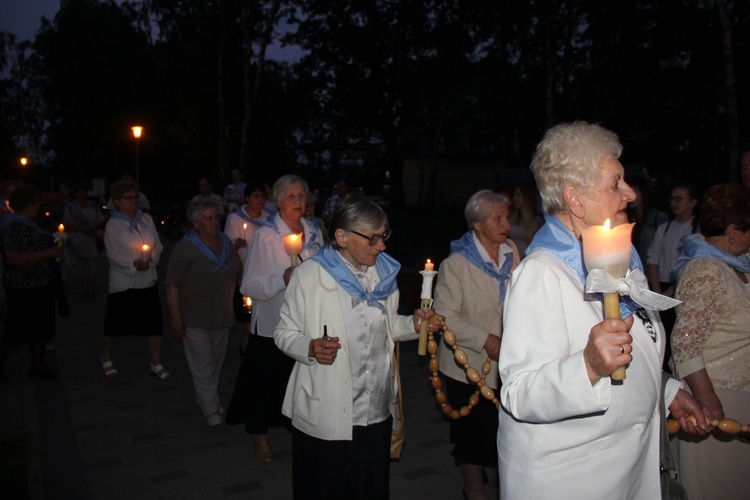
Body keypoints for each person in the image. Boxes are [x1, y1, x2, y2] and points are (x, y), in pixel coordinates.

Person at [497, 122, 711, 499]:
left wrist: (667, 390)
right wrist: (588, 367)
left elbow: (632, 348)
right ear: (575, 199)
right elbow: (519, 392)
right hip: (572, 481)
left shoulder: (614, 262)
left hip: (624, 474)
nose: (629, 193)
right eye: (616, 183)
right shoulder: (541, 274)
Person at [274, 196, 440, 499]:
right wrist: (310, 347)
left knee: (370, 489)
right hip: (327, 412)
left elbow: (388, 328)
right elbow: (283, 332)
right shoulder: (310, 276)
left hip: (375, 409)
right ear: (342, 237)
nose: (382, 246)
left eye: (384, 236)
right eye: (373, 238)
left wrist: (414, 325)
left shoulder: (383, 275)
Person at [226, 174, 323, 463]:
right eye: (291, 196)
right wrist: (282, 279)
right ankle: (260, 437)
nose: (298, 201)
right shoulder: (266, 236)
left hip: (307, 323)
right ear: (278, 201)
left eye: (302, 196)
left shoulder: (313, 232)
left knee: (301, 383)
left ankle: (303, 432)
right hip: (273, 325)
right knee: (266, 384)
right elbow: (248, 286)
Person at [433, 190, 519, 500]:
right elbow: (445, 317)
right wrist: (486, 339)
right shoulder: (456, 264)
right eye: (498, 218)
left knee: (502, 430)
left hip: (507, 361)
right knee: (472, 434)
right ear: (477, 224)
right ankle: (473, 489)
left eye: (506, 217)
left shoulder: (511, 253)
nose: (505, 223)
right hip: (467, 364)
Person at [670, 182, 750, 500]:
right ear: (732, 231)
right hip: (714, 397)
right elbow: (684, 344)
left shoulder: (738, 267)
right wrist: (708, 400)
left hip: (740, 394)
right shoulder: (706, 269)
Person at [165, 199, 242, 427]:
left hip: (222, 316)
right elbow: (171, 285)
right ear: (196, 223)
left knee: (215, 364)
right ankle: (211, 411)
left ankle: (206, 397)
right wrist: (176, 318)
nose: (214, 222)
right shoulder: (185, 247)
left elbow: (238, 272)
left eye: (216, 217)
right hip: (195, 318)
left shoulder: (226, 244)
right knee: (204, 364)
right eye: (208, 218)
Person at [100, 180, 169, 380]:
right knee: (115, 324)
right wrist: (133, 264)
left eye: (135, 197)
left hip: (147, 280)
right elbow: (112, 254)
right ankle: (106, 357)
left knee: (154, 323)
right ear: (117, 202)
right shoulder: (113, 224)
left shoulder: (146, 219)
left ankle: (156, 363)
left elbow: (157, 245)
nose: (134, 201)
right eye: (128, 198)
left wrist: (151, 258)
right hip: (124, 283)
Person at [0, 184, 63, 381]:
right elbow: (15, 258)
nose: (38, 207)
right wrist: (49, 253)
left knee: (41, 328)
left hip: (39, 284)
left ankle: (37, 365)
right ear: (29, 203)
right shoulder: (13, 225)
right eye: (36, 203)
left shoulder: (28, 223)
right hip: (23, 287)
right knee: (16, 331)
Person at [223, 180, 271, 353]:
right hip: (244, 275)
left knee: (262, 321)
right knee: (248, 322)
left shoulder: (268, 219)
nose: (260, 200)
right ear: (247, 198)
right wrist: (236, 243)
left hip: (264, 275)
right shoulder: (235, 219)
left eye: (262, 196)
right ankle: (247, 353)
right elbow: (226, 248)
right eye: (255, 196)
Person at [647, 182, 699, 297]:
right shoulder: (664, 228)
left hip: (686, 285)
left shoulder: (697, 230)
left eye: (678, 199)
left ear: (692, 202)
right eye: (672, 199)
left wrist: (672, 291)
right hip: (662, 284)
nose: (674, 203)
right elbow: (653, 260)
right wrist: (657, 292)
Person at [62, 182, 105, 301]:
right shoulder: (70, 208)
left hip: (91, 240)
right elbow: (66, 223)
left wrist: (92, 228)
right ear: (75, 194)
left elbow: (101, 219)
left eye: (84, 193)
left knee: (92, 266)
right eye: (79, 193)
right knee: (77, 267)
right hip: (76, 240)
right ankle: (80, 290)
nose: (82, 196)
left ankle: (90, 290)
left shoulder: (93, 206)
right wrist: (80, 229)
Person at [628, 179, 669, 260]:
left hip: (650, 265)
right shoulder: (630, 218)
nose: (630, 197)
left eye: (634, 192)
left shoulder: (658, 217)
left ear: (643, 194)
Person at [508, 184, 542, 258]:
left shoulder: (536, 222)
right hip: (511, 259)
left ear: (526, 198)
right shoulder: (511, 220)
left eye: (518, 195)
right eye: (514, 195)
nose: (514, 199)